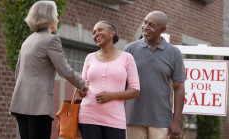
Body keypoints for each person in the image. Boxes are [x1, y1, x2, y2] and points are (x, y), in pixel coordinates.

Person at [9, 1, 88, 139]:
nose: (57, 19)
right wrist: (82, 84)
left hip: (20, 103)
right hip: (39, 105)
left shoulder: (27, 40)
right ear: (49, 17)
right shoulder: (51, 40)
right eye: (56, 15)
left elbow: (18, 73)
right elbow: (64, 70)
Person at [125, 11, 186, 139]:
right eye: (145, 22)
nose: (146, 27)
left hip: (161, 121)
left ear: (162, 29)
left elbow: (179, 87)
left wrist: (176, 121)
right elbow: (121, 83)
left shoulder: (174, 53)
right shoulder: (130, 49)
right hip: (132, 118)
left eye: (151, 25)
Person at [78, 21, 140, 139]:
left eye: (100, 30)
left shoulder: (127, 58)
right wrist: (81, 88)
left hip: (115, 119)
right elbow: (82, 91)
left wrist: (111, 96)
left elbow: (135, 91)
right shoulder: (90, 57)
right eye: (94, 32)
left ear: (112, 33)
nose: (96, 34)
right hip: (88, 116)